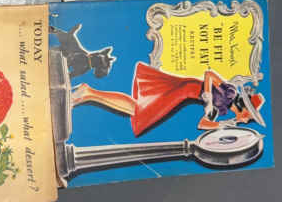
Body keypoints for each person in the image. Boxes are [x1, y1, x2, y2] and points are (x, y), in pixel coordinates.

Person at [71, 62, 265, 136]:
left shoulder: (223, 110)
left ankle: (89, 93)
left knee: (137, 110)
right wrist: (207, 95)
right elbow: (209, 74)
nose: (246, 121)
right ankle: (89, 93)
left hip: (182, 95)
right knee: (139, 111)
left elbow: (202, 124)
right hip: (183, 89)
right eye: (249, 117)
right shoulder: (230, 92)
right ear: (245, 109)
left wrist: (222, 125)